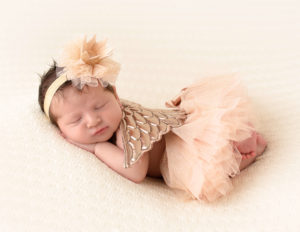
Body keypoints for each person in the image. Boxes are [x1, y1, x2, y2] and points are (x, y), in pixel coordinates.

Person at [38, 35, 267, 202]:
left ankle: (249, 144)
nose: (92, 120)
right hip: (187, 139)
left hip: (188, 145)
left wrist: (97, 147)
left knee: (227, 153)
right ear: (60, 129)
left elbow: (136, 171)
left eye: (100, 106)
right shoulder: (106, 121)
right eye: (76, 120)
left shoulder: (129, 125)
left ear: (117, 96)